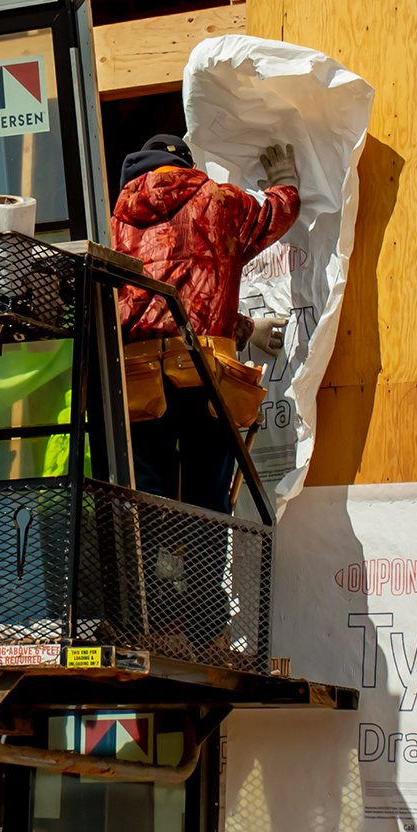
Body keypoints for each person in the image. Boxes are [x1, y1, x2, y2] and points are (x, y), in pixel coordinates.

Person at [111, 134, 300, 651]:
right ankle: (204, 626)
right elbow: (272, 217)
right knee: (206, 501)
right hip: (199, 376)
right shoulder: (213, 199)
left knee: (150, 504)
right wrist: (286, 182)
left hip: (138, 383)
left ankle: (155, 621)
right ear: (184, 164)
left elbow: (168, 295)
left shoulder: (119, 220)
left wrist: (243, 326)